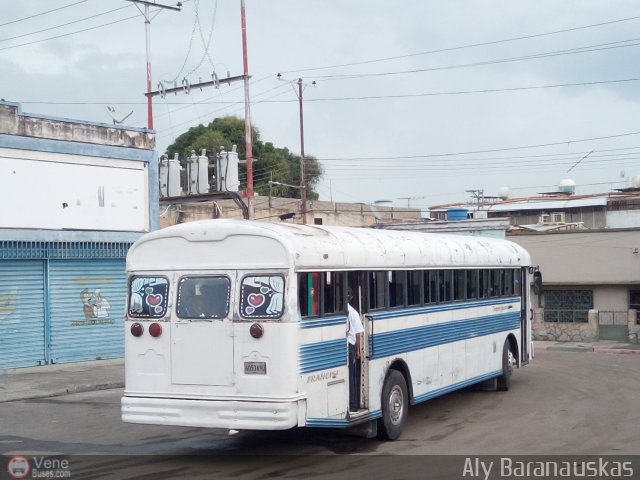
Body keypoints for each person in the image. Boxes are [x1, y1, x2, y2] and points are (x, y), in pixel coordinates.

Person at [347, 289, 364, 411]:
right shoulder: (353, 312)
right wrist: (358, 350)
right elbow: (358, 334)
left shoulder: (340, 311)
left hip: (345, 345)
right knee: (352, 375)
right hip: (351, 346)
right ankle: (353, 404)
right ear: (352, 297)